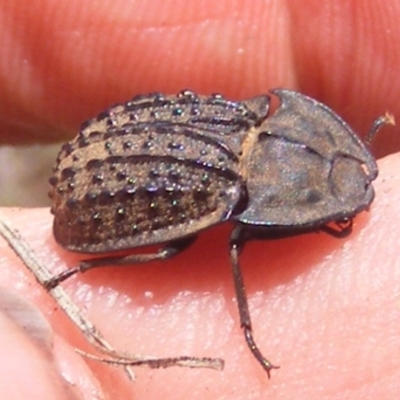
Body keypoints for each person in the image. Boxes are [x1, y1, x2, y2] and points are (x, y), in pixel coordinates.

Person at [0, 1, 399, 399]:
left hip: (107, 138)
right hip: (87, 190)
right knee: (167, 253)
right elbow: (236, 245)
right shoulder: (223, 187)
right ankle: (88, 266)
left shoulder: (245, 117)